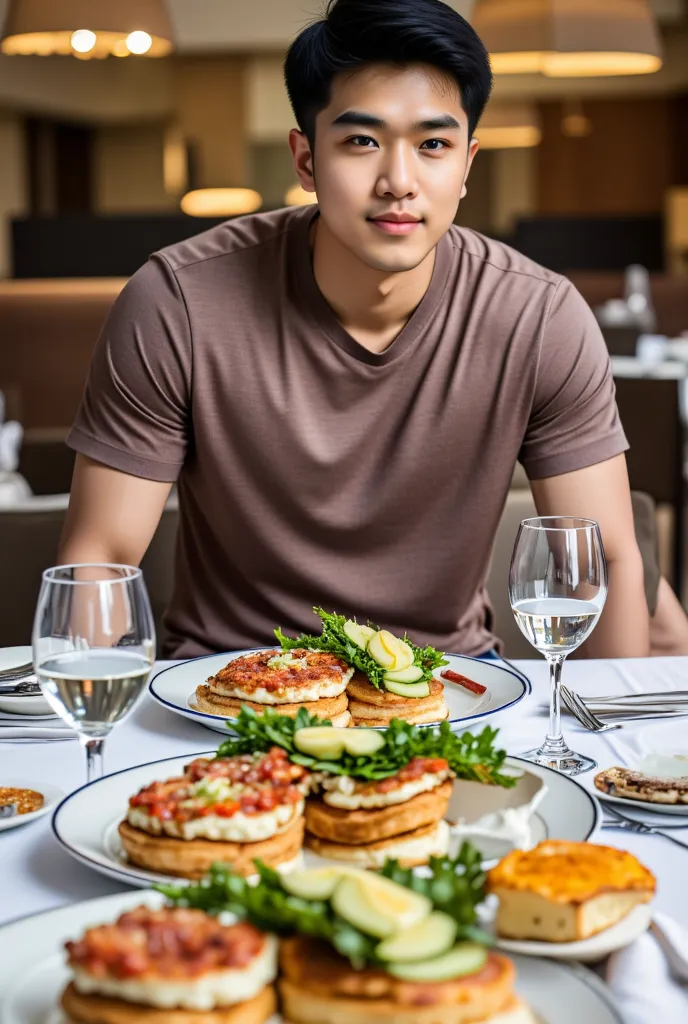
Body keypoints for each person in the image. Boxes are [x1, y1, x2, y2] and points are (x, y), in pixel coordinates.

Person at [59, 0, 649, 659]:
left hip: (452, 691)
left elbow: (606, 559)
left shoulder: (538, 315)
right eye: (362, 141)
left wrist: (608, 746)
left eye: (433, 145)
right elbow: (101, 557)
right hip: (225, 690)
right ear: (306, 159)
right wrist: (89, 733)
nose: (399, 182)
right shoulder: (178, 301)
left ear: (466, 164)